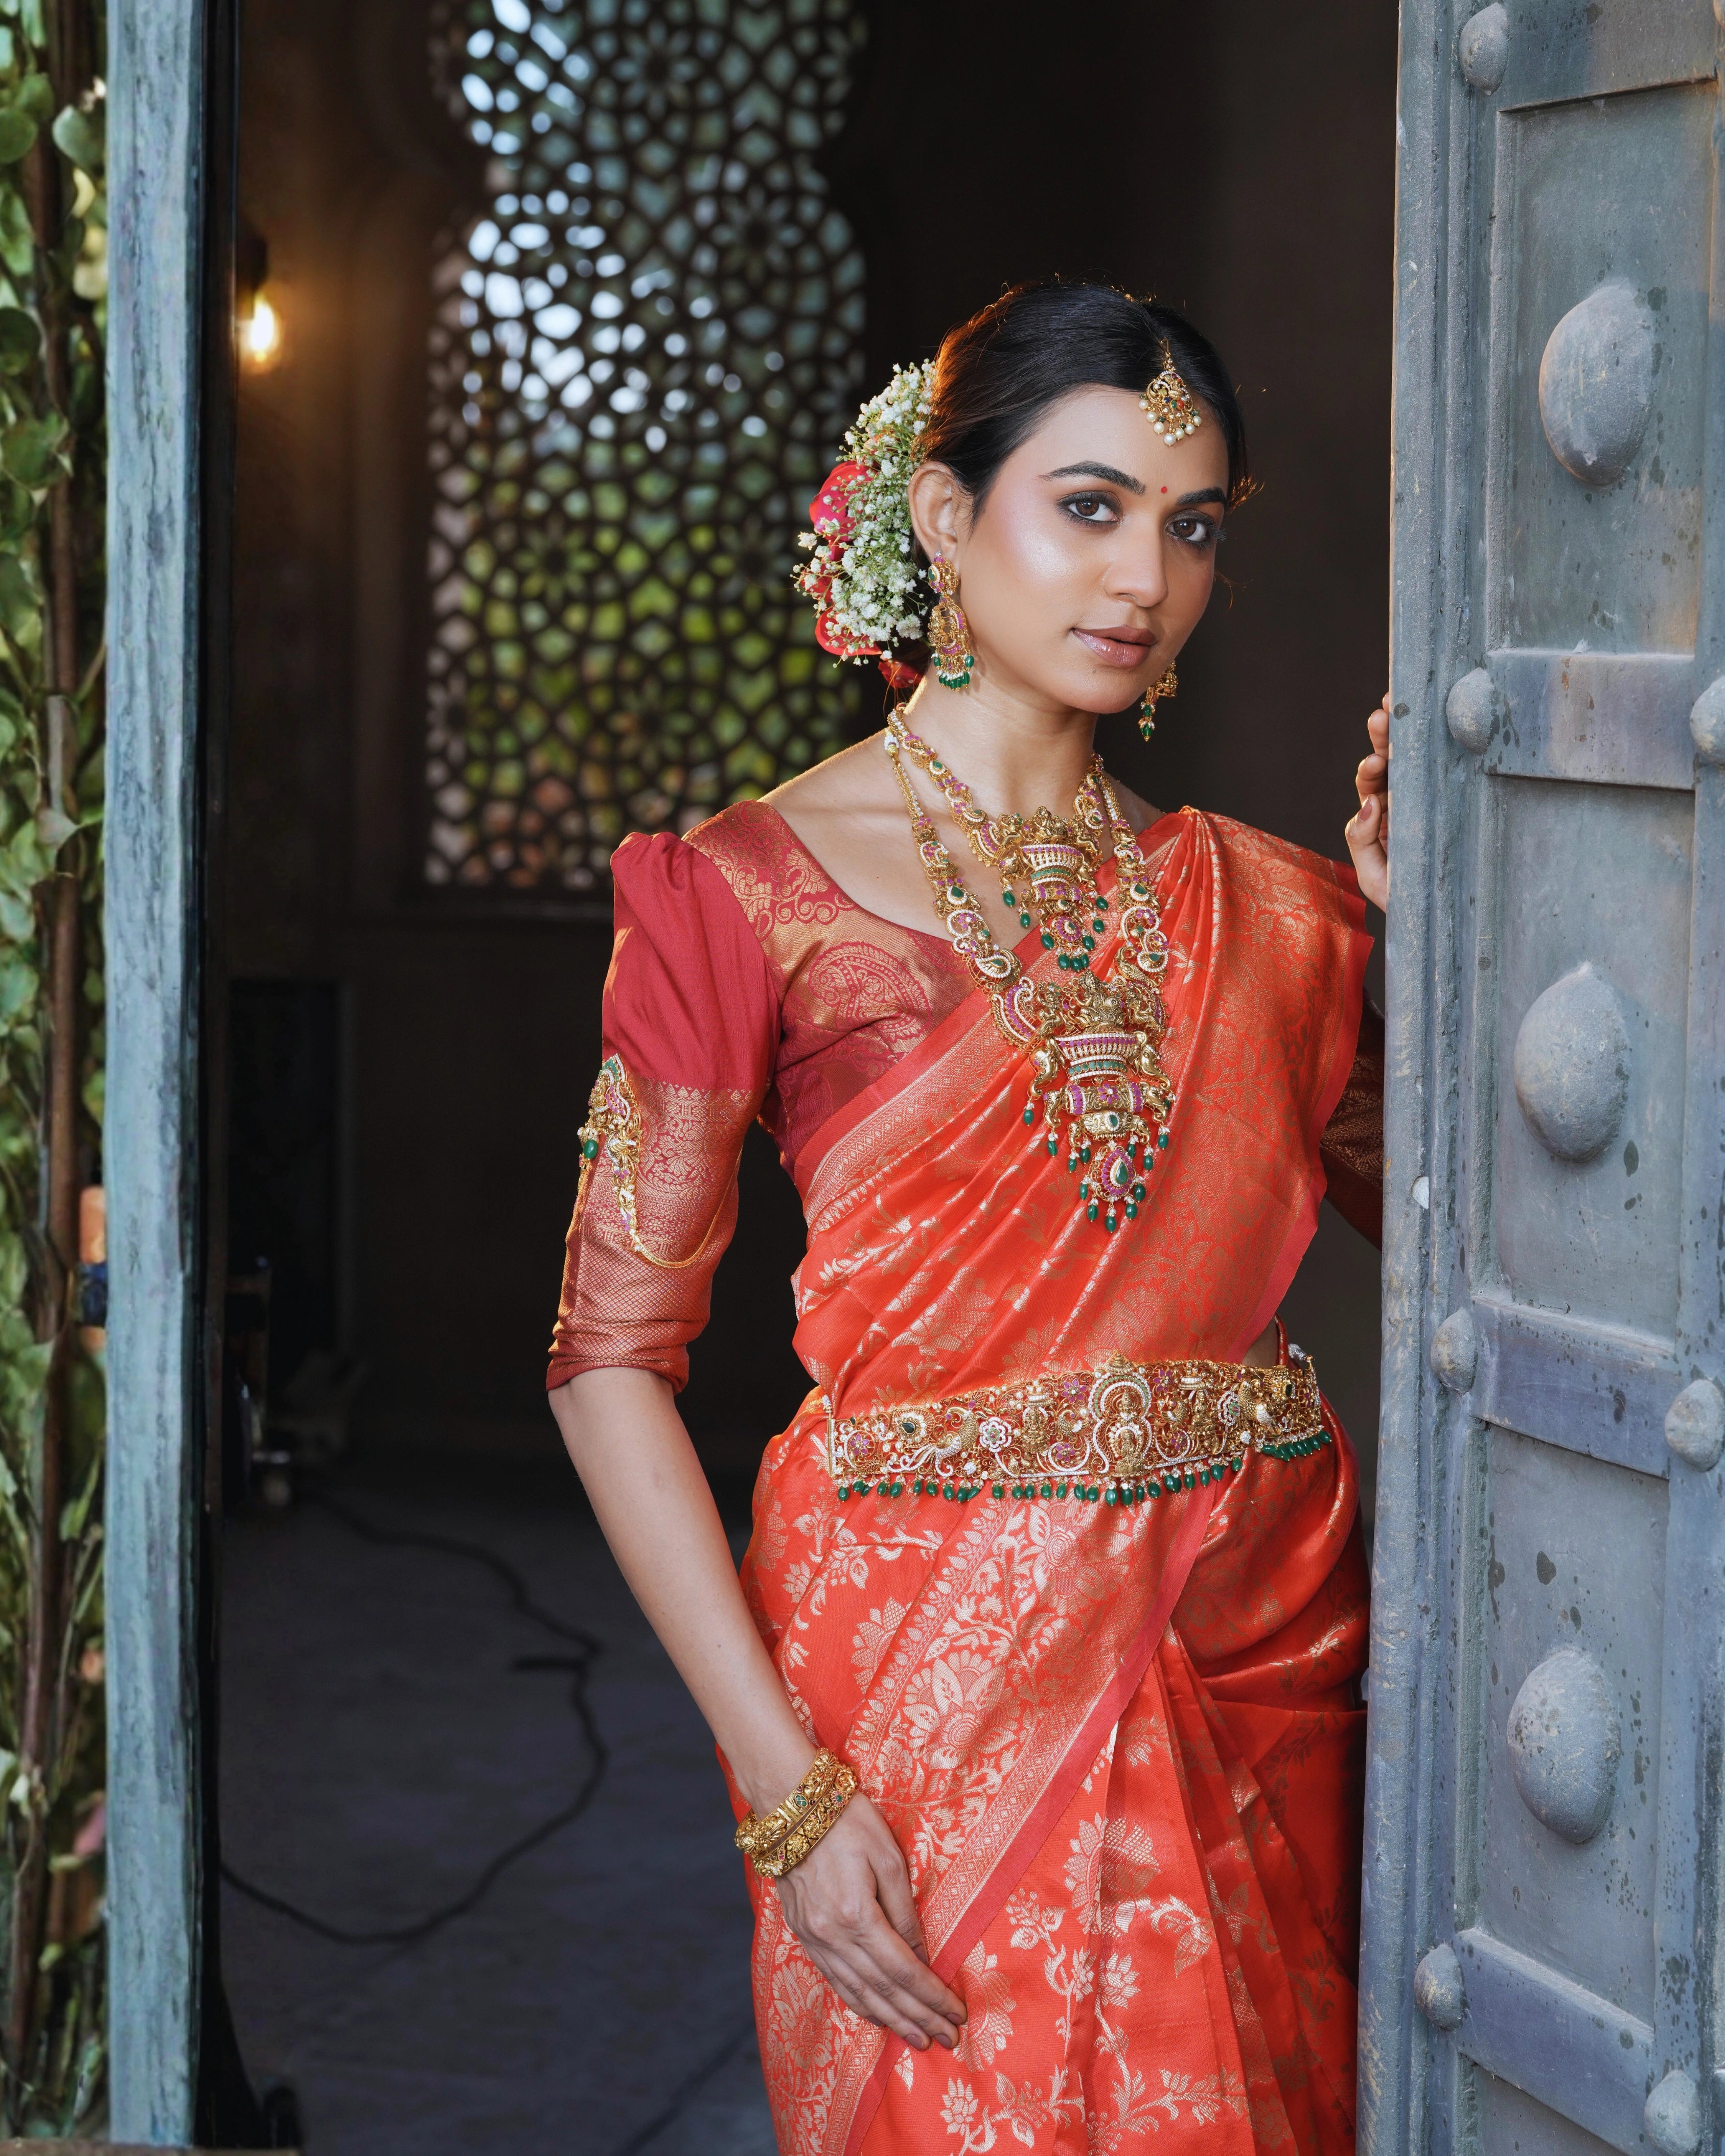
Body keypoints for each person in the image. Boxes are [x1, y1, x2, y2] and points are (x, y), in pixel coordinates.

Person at [548, 281, 1391, 2155]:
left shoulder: (1277, 912)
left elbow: (1480, 1244)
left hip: (1251, 1649)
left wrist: (1448, 926)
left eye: (1191, 526)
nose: (1145, 576)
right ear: (944, 515)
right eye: (1088, 506)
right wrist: (788, 1790)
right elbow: (609, 1362)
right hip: (916, 1702)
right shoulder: (743, 894)